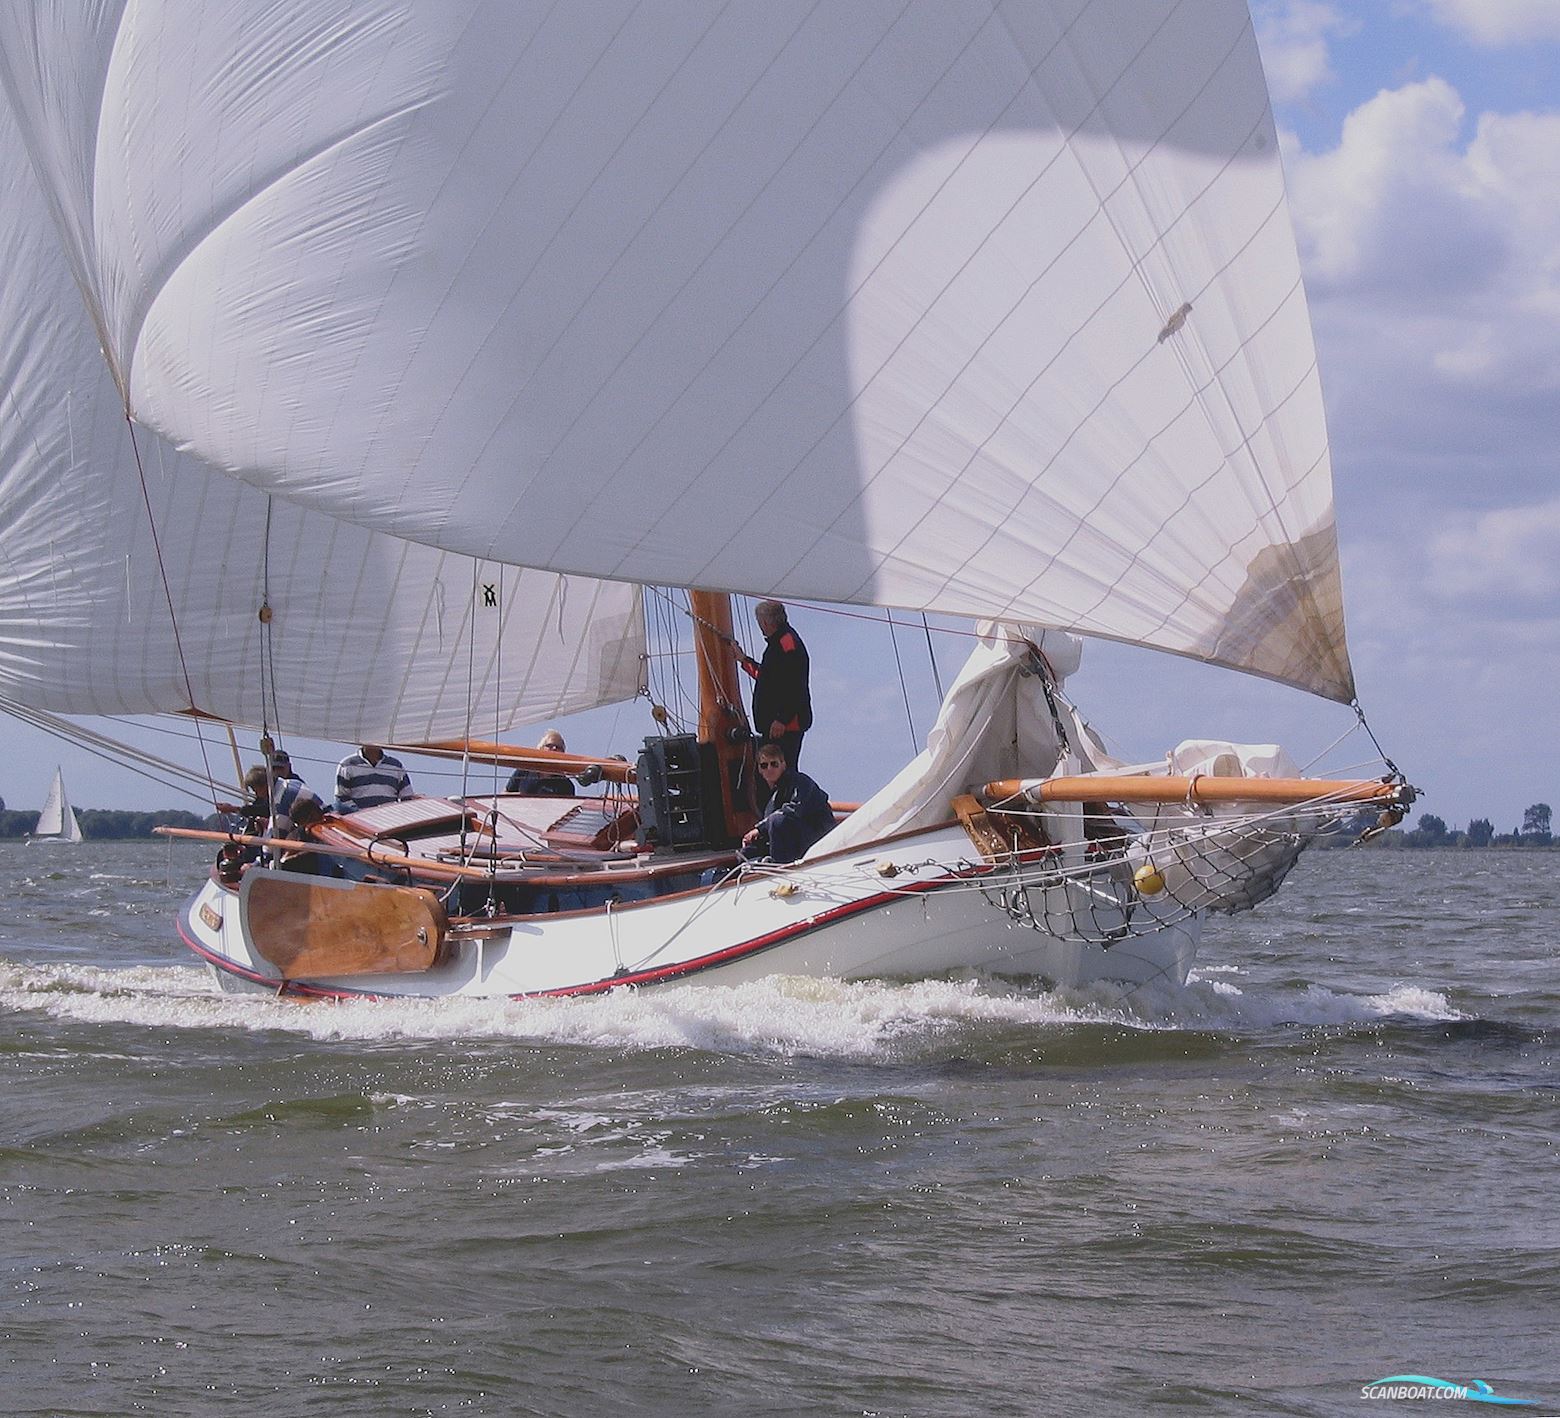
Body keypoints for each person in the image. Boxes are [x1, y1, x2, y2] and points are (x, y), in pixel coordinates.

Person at [737, 599, 812, 769]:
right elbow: (768, 679)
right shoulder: (778, 644)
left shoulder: (787, 644)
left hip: (785, 726)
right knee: (772, 774)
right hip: (776, 725)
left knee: (782, 772)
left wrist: (782, 719)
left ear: (764, 622)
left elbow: (795, 685)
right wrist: (743, 660)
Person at [742, 741, 835, 864]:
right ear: (760, 770)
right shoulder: (772, 800)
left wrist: (760, 828)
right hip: (795, 842)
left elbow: (794, 810)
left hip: (819, 838)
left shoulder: (801, 782)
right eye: (764, 765)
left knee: (777, 820)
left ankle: (779, 866)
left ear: (783, 765)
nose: (769, 769)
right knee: (746, 853)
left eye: (774, 764)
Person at [335, 743, 415, 813]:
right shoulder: (347, 765)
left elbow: (407, 797)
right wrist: (359, 814)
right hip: (361, 823)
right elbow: (341, 799)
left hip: (390, 821)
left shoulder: (395, 765)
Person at [268, 750, 325, 834]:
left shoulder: (295, 785)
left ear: (289, 766)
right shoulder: (272, 786)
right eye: (274, 768)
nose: (278, 772)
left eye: (281, 768)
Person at [505, 729, 576, 797]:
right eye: (550, 745)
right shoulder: (524, 771)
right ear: (541, 749)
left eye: (558, 747)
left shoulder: (566, 785)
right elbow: (505, 795)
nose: (554, 748)